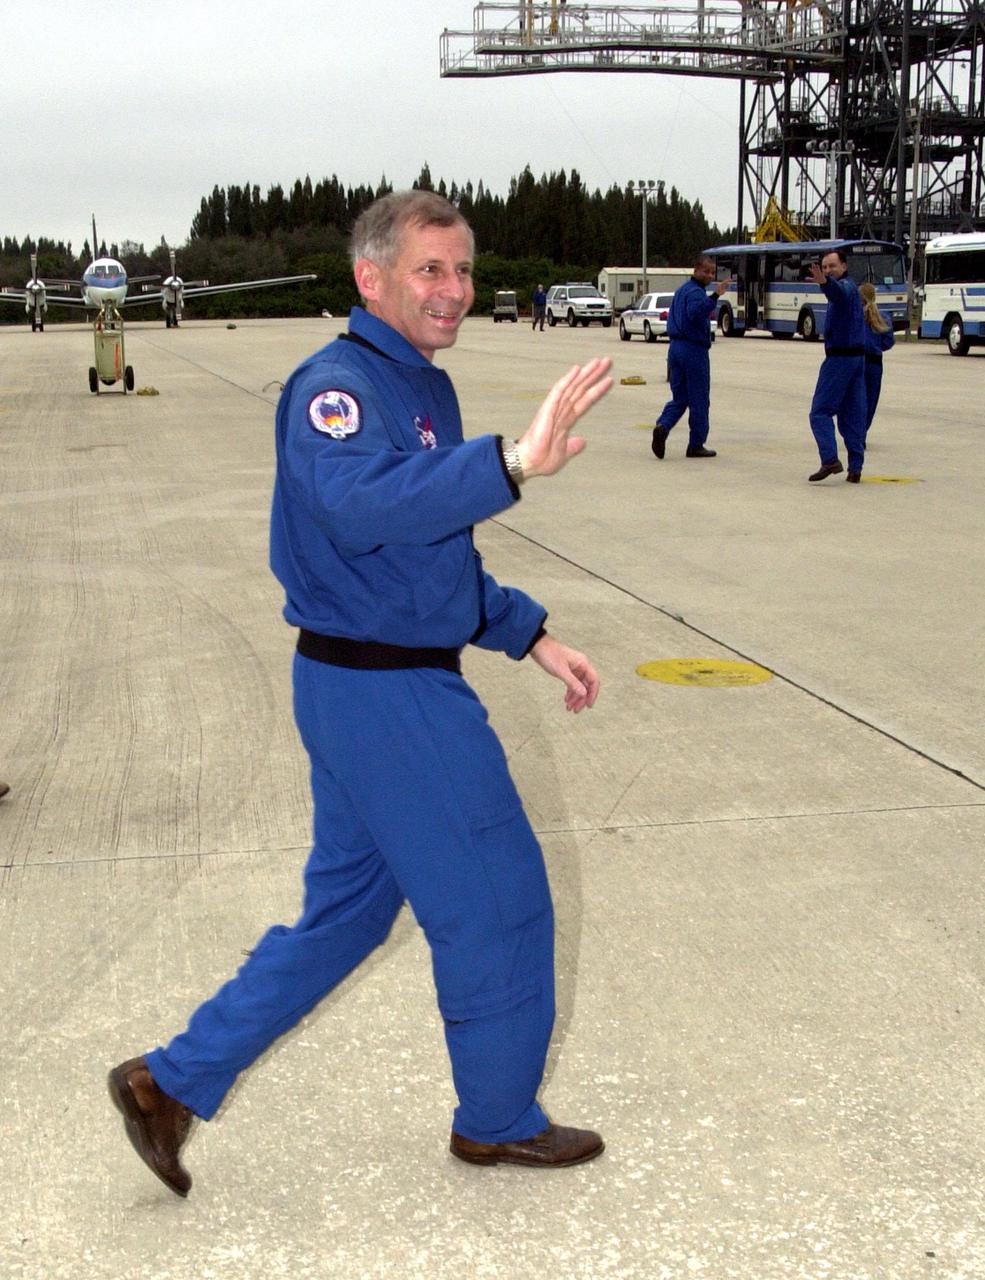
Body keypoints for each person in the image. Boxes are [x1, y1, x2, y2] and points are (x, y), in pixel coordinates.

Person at [107, 190, 614, 1198]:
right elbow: (358, 503)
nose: (455, 290)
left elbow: (428, 560)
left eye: (463, 270)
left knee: (343, 916)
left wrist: (530, 632)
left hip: (362, 681)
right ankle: (497, 1117)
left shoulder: (420, 387)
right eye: (431, 269)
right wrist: (512, 462)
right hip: (390, 697)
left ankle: (168, 1080)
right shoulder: (336, 386)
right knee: (503, 903)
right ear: (370, 277)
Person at [651, 254, 730, 461]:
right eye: (706, 271)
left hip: (675, 349)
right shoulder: (696, 293)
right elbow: (696, 313)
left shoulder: (681, 291)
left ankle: (663, 426)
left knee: (681, 397)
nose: (709, 275)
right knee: (699, 399)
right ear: (695, 270)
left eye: (712, 272)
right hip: (693, 350)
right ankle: (696, 444)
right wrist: (715, 296)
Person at [806, 251, 867, 483]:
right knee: (852, 414)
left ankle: (830, 459)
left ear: (844, 265)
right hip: (856, 360)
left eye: (832, 265)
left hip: (840, 359)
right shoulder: (852, 290)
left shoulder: (846, 288)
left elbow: (838, 294)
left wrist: (825, 283)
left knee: (819, 412)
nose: (828, 269)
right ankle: (856, 468)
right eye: (824, 266)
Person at [859, 281, 895, 437]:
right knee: (871, 400)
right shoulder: (883, 317)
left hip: (858, 360)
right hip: (875, 363)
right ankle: (863, 432)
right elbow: (888, 342)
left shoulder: (855, 316)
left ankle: (855, 431)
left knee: (856, 399)